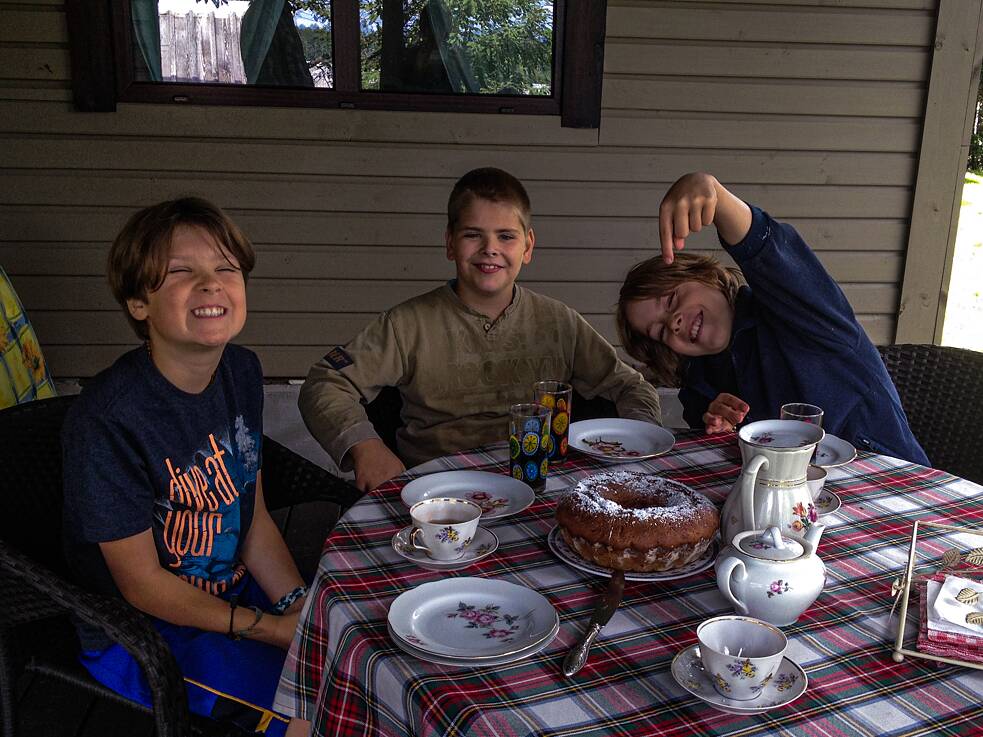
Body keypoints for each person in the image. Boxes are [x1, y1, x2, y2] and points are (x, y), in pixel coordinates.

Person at [61, 198, 311, 737]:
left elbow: (254, 517)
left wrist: (300, 607)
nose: (211, 283)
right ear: (138, 303)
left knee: (355, 671)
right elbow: (144, 586)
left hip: (234, 595)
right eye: (181, 272)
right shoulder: (108, 420)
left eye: (225, 268)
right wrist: (271, 630)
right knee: (304, 717)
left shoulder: (241, 370)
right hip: (143, 631)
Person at [300, 167, 663, 491]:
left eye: (506, 236)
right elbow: (325, 383)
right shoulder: (406, 325)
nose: (490, 249)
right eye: (473, 235)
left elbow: (632, 387)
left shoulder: (559, 322)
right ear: (449, 243)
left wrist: (638, 442)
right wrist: (366, 447)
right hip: (438, 492)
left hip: (539, 483)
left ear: (528, 246)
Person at [616, 172, 929, 466]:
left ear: (706, 276)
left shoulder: (797, 311)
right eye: (659, 331)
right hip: (792, 510)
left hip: (889, 484)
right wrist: (721, 432)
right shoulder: (701, 384)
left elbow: (769, 252)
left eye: (671, 299)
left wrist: (716, 195)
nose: (673, 323)